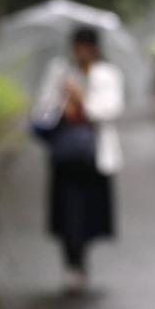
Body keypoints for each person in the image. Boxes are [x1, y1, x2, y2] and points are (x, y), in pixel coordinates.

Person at [32, 26, 124, 293]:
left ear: (95, 48)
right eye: (78, 45)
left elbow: (110, 109)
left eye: (86, 45)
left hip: (94, 156)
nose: (82, 51)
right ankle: (70, 263)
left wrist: (82, 101)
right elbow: (43, 108)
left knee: (90, 212)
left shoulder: (107, 74)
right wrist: (63, 103)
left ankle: (81, 261)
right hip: (65, 155)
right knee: (65, 210)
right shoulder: (59, 70)